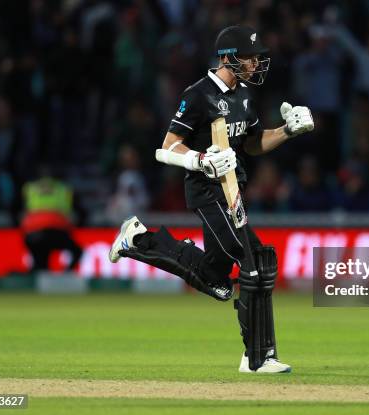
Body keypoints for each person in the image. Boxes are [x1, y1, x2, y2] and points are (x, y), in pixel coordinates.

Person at [108, 26, 314, 373]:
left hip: (233, 190)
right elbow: (168, 146)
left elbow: (251, 143)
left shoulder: (245, 95)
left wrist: (287, 130)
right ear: (228, 58)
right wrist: (200, 160)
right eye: (249, 57)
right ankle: (257, 358)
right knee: (254, 262)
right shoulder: (199, 94)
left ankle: (137, 239)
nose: (255, 63)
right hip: (208, 192)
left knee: (217, 280)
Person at [21, 167, 83, 272]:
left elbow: (20, 212)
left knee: (40, 261)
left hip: (32, 234)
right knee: (77, 251)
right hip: (56, 232)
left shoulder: (29, 188)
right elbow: (75, 214)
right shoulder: (63, 189)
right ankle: (66, 274)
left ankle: (37, 275)